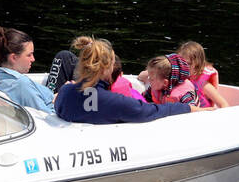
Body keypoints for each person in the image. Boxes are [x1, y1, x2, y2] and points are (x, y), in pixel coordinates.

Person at [54, 38, 200, 124]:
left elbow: (86, 104)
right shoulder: (115, 102)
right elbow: (151, 111)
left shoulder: (65, 93)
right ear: (108, 67)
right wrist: (188, 108)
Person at [0, 25, 53, 112]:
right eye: (29, 55)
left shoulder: (3, 80)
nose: (33, 59)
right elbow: (47, 116)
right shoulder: (21, 85)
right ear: (14, 58)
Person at [176, 41, 230, 108]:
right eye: (180, 63)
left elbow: (223, 104)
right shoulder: (177, 79)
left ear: (197, 64)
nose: (183, 66)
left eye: (188, 63)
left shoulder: (203, 85)